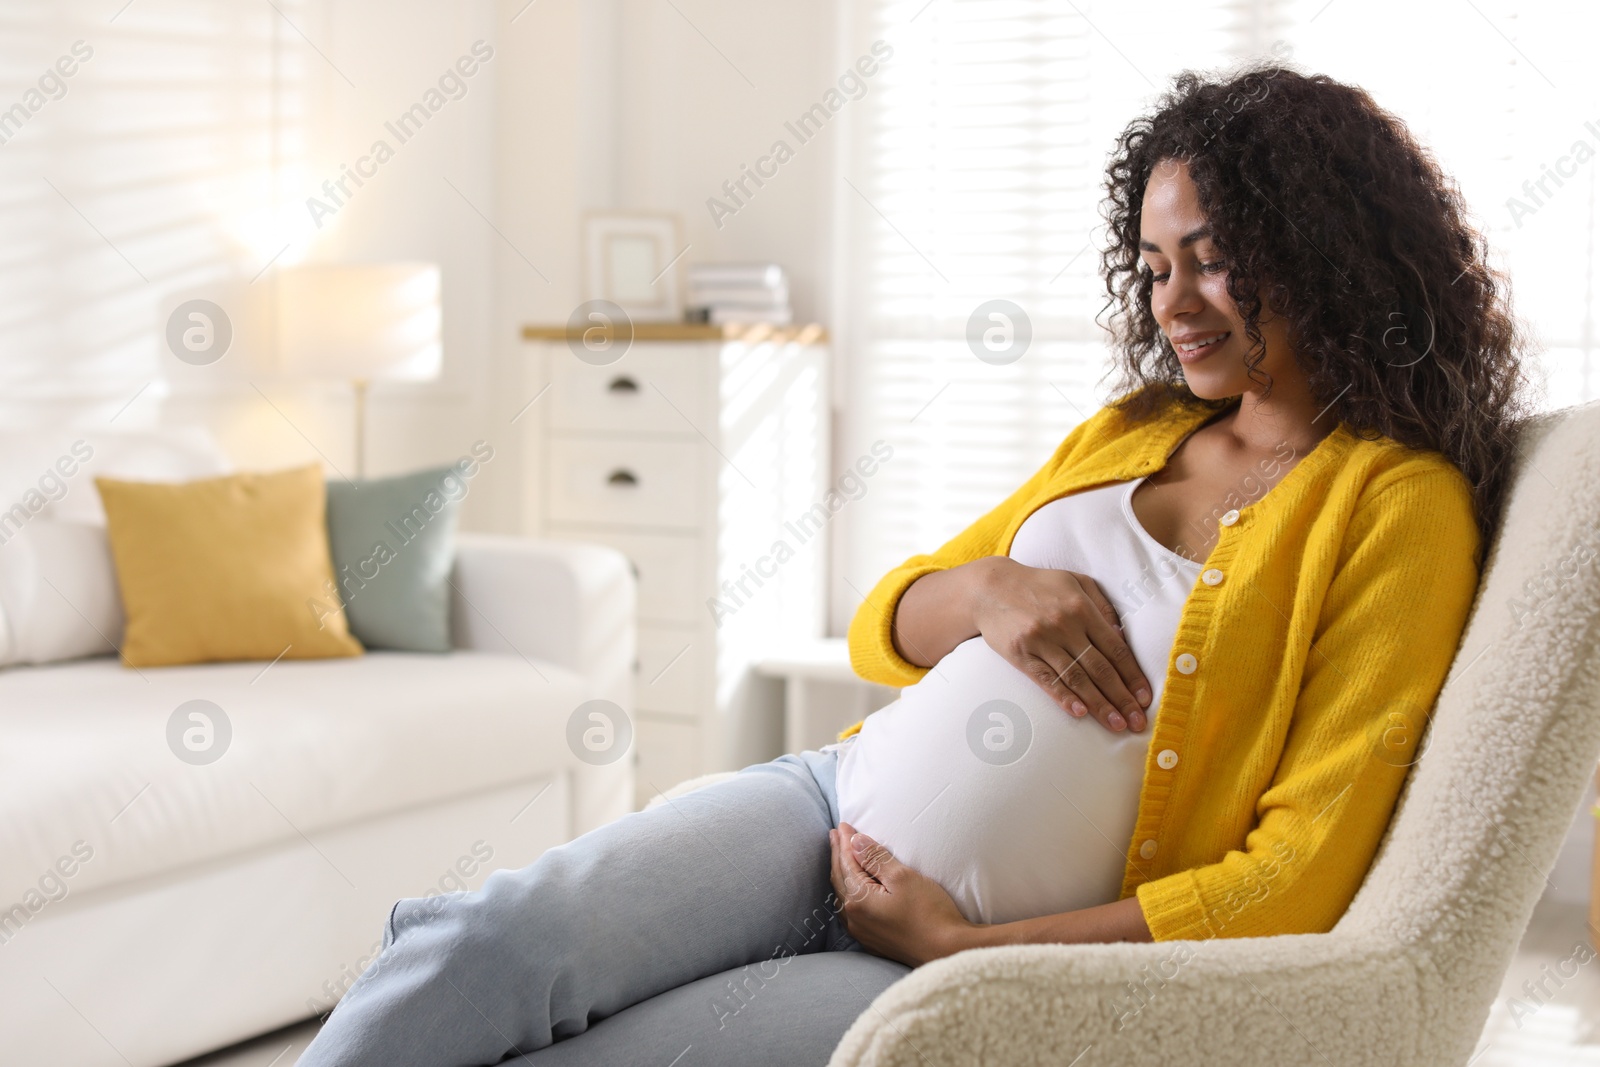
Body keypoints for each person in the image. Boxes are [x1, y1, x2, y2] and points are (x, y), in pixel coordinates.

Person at [298, 65, 1530, 1067]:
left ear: (1321, 244)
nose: (1174, 303)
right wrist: (989, 591)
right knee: (490, 944)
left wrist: (957, 947)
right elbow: (893, 617)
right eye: (1153, 268)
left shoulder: (1392, 507)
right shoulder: (1134, 432)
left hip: (961, 943)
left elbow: (1293, 878)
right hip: (825, 800)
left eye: (1211, 258)